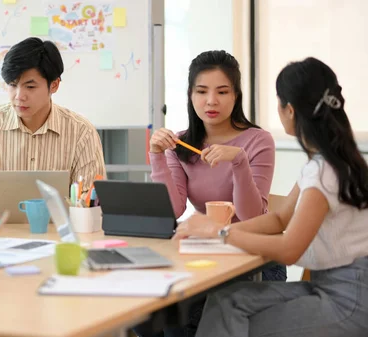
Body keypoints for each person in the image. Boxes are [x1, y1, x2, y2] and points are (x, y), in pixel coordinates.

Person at [174, 57, 368, 336]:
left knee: (238, 323)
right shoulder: (326, 163)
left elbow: (290, 250)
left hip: (348, 300)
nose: (211, 100)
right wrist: (213, 231)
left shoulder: (324, 172)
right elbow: (278, 219)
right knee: (225, 301)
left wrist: (219, 233)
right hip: (332, 286)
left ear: (288, 110)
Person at [144, 50, 284, 337]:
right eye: (202, 91)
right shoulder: (181, 143)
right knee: (147, 311)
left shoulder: (258, 141)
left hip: (254, 258)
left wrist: (239, 161)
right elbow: (172, 209)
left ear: (236, 96)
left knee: (180, 318)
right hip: (206, 255)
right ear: (190, 95)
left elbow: (250, 216)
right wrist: (157, 155)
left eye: (222, 91)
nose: (211, 101)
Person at [0, 37, 106, 199]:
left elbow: (91, 196)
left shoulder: (81, 131)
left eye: (30, 87)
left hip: (59, 225)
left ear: (54, 85)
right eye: (12, 84)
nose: (19, 96)